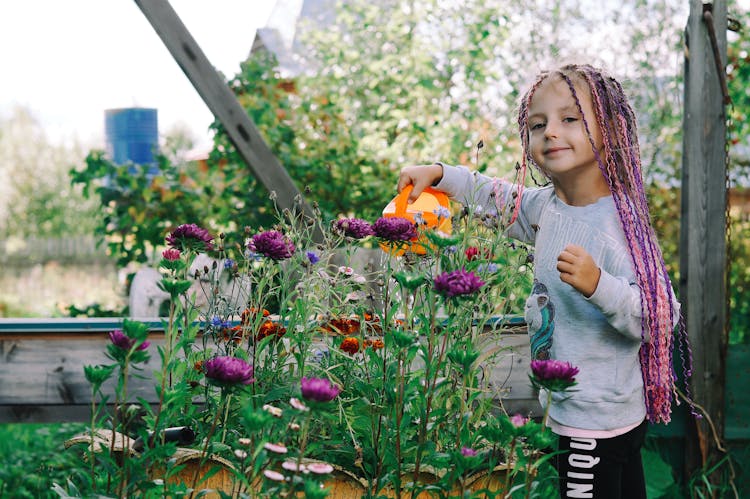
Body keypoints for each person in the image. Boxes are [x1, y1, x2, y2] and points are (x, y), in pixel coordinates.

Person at [397, 63, 690, 499]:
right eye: (538, 124)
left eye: (570, 119)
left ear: (610, 129)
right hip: (592, 411)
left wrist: (598, 285)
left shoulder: (619, 224)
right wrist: (441, 174)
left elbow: (659, 320)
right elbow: (496, 198)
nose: (551, 131)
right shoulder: (548, 207)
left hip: (594, 420)